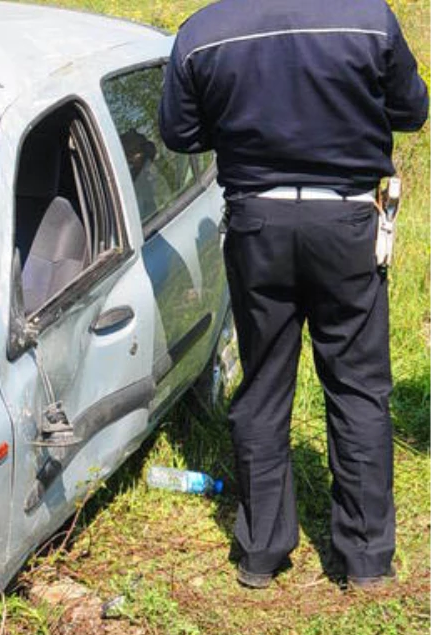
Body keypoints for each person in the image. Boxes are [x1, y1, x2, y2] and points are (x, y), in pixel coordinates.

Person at [159, 0, 428, 589]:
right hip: (346, 224)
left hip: (257, 223)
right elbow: (412, 111)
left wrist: (239, 129)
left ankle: (261, 553)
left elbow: (178, 133)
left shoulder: (203, 32)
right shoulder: (369, 19)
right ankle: (364, 560)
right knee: (357, 386)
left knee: (264, 384)